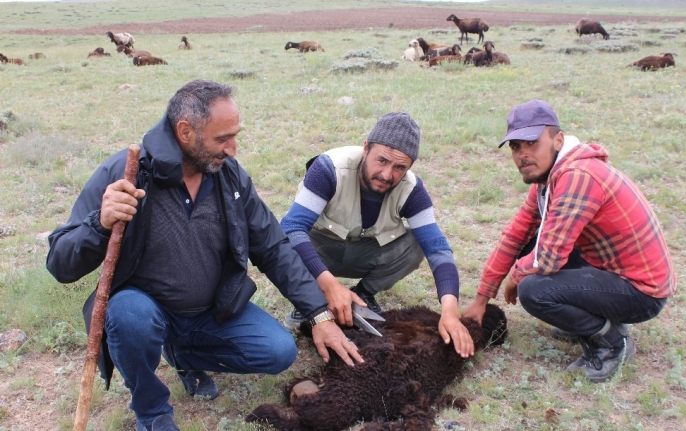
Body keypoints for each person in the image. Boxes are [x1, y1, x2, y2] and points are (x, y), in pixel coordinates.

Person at [46, 80, 363, 431]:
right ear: (185, 132)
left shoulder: (229, 177)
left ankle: (182, 354)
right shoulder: (128, 173)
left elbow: (273, 247)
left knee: (278, 352)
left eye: (235, 135)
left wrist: (318, 315)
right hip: (145, 309)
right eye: (222, 139)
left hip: (212, 310)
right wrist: (100, 223)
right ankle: (151, 410)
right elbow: (60, 262)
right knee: (128, 316)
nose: (233, 148)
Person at [463, 99, 676, 382]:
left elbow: (549, 257)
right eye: (516, 146)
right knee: (527, 247)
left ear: (558, 140)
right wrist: (481, 298)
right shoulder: (548, 179)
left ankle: (612, 343)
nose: (522, 155)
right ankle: (592, 320)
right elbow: (515, 235)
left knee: (534, 290)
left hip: (642, 291)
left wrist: (514, 277)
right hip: (614, 271)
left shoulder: (577, 176)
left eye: (532, 143)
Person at [280, 112, 474, 358]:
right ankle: (309, 300)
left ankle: (362, 296)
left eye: (399, 167)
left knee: (418, 241)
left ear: (410, 167)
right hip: (319, 251)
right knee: (286, 240)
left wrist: (449, 309)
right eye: (381, 160)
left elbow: (438, 248)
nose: (386, 174)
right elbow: (292, 228)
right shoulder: (329, 168)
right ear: (366, 149)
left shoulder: (412, 189)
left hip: (365, 251)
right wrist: (330, 286)